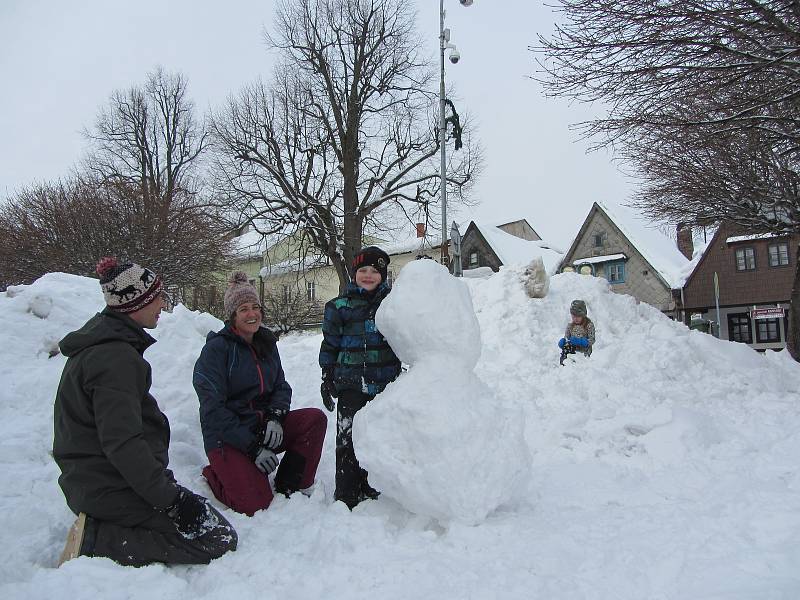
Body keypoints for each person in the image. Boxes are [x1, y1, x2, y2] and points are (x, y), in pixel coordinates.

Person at [53, 257, 237, 568]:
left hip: (107, 481)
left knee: (206, 522)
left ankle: (108, 529)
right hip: (106, 487)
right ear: (135, 302)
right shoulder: (114, 358)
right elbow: (122, 444)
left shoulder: (109, 348)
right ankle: (96, 540)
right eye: (158, 297)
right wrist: (171, 500)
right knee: (217, 537)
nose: (163, 305)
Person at [193, 272, 327, 516]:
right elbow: (212, 411)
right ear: (232, 315)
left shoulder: (265, 342)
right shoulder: (216, 351)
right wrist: (252, 448)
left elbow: (281, 386)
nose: (252, 314)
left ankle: (290, 482)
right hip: (228, 437)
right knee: (255, 506)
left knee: (314, 419)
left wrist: (276, 417)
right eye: (243, 309)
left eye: (255, 307)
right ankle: (216, 473)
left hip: (262, 426)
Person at [319, 246, 402, 509]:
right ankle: (346, 492)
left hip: (386, 383)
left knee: (378, 436)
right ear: (354, 273)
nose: (368, 275)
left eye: (374, 271)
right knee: (348, 436)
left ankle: (372, 484)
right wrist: (327, 374)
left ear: (383, 274)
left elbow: (409, 337)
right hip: (351, 383)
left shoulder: (394, 305)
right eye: (362, 270)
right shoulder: (339, 307)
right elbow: (330, 344)